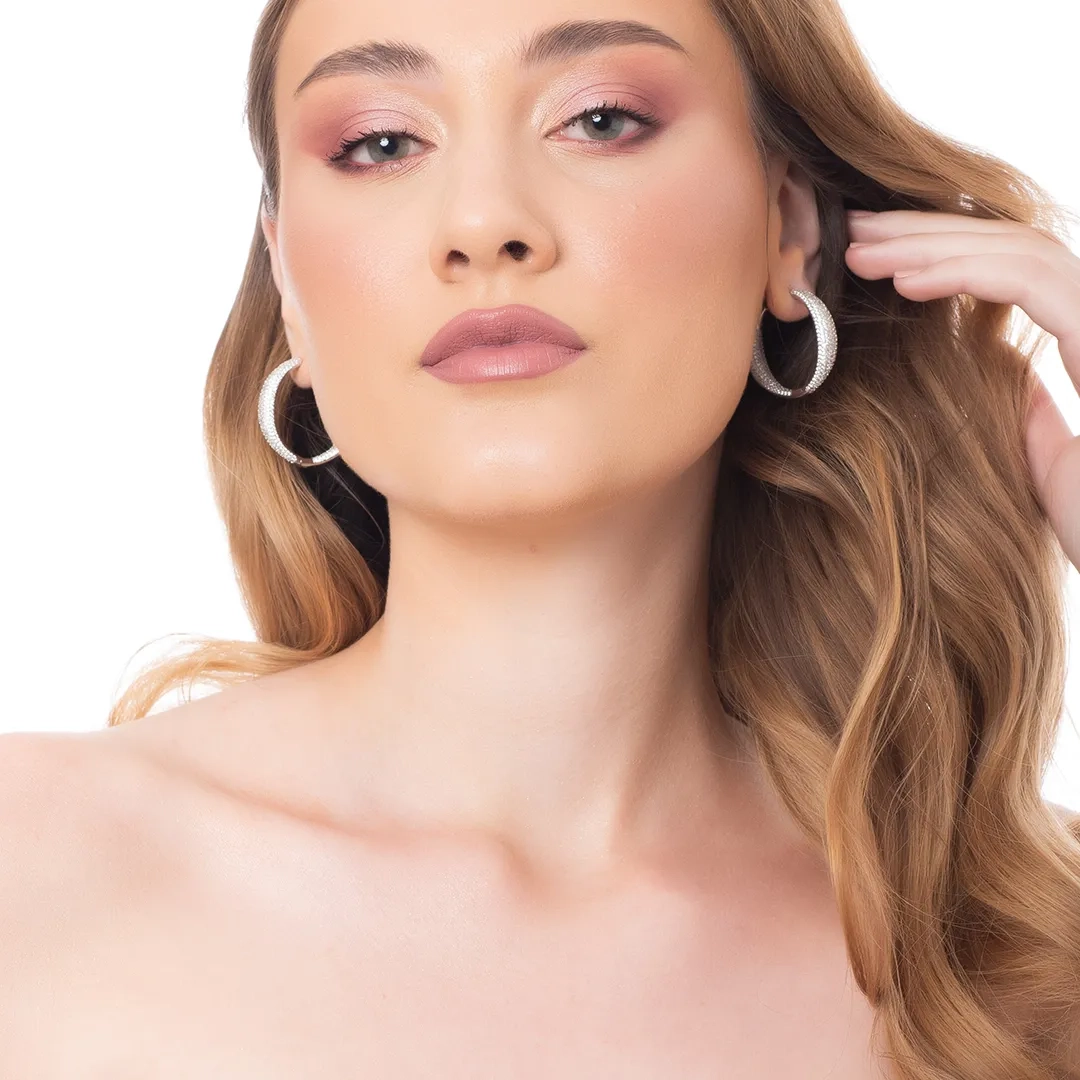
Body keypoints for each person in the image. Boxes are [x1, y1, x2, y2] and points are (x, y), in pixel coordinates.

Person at [2, 0, 1079, 1076]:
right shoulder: (30, 865)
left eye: (601, 120)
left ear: (786, 226)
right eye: (381, 143)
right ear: (287, 281)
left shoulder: (1016, 957)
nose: (483, 223)